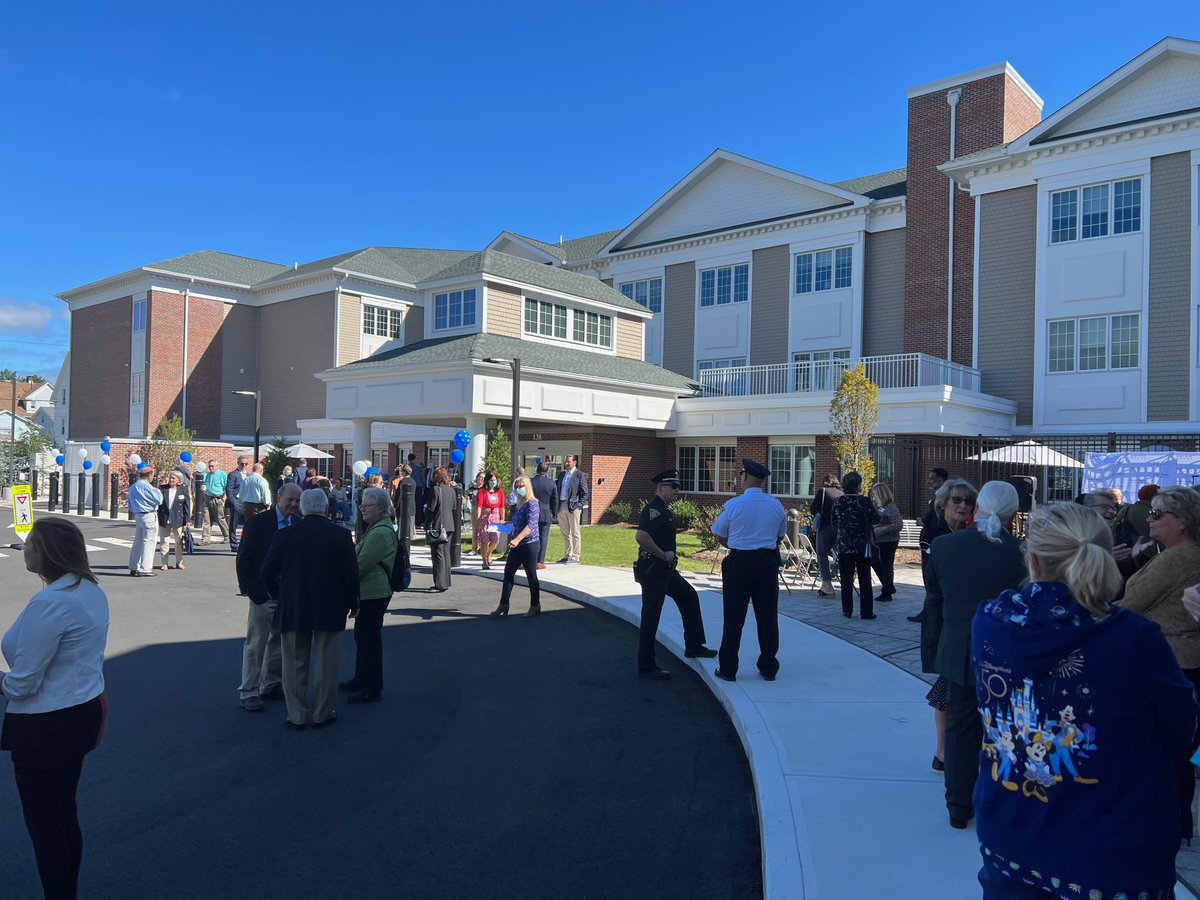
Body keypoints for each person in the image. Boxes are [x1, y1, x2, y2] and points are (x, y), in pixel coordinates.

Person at [972, 501, 1198, 898]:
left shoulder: (988, 621)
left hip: (1011, 838)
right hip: (1110, 852)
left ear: (1034, 562)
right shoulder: (1134, 639)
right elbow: (1187, 731)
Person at [3, 517, 109, 899]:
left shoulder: (50, 603)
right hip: (79, 711)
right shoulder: (90, 590)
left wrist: (1, 682)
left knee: (45, 823)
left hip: (46, 724)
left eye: (30, 543)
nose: (25, 549)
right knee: (63, 813)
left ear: (45, 553)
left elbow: (24, 682)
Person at [920, 481, 1025, 830]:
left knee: (962, 729)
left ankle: (958, 806)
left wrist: (934, 650)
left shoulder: (944, 546)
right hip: (1007, 654)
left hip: (959, 648)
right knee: (1006, 730)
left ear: (978, 506)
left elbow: (934, 601)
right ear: (1012, 515)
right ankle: (1003, 801)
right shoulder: (1022, 553)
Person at [262, 489, 358, 730]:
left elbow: (267, 570)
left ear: (302, 509)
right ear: (326, 508)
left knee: (294, 660)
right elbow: (350, 574)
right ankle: (322, 712)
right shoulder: (341, 535)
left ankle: (296, 713)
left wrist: (277, 593)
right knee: (327, 661)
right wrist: (353, 602)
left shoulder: (285, 536)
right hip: (330, 604)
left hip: (294, 603)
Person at [918, 478, 978, 773]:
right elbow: (935, 581)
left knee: (948, 685)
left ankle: (943, 752)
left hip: (960, 621)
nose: (963, 506)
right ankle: (942, 750)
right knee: (946, 684)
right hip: (943, 620)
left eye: (968, 501)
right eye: (957, 500)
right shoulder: (934, 535)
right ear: (943, 503)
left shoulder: (967, 534)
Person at [635, 469, 719, 679]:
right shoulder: (654, 509)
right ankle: (646, 665)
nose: (677, 491)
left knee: (689, 596)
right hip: (654, 570)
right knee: (651, 616)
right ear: (662, 487)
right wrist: (663, 554)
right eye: (674, 487)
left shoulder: (663, 509)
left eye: (678, 487)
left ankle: (694, 645)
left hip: (666, 570)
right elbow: (642, 536)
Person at [1116, 485, 1200, 693]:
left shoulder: (1178, 557)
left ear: (1183, 521)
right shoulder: (1179, 554)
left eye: (1156, 514)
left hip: (1169, 659)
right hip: (1179, 658)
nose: (1148, 519)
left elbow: (1130, 605)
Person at [711, 459, 785, 682]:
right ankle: (769, 667)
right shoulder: (775, 505)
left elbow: (719, 532)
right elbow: (780, 535)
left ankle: (728, 668)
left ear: (744, 477)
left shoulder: (734, 505)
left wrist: (734, 543)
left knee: (733, 618)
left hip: (739, 564)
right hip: (766, 564)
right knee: (768, 617)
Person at [234, 484, 298, 712]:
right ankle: (249, 691)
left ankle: (270, 683)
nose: (293, 504)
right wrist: (252, 589)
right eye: (289, 500)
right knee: (256, 643)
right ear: (278, 498)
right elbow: (244, 558)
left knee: (278, 642)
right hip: (262, 593)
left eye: (297, 501)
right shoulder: (259, 523)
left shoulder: (297, 524)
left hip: (286, 594)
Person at [344, 487, 396, 703]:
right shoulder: (376, 528)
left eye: (368, 505)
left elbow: (360, 564)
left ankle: (371, 687)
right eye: (362, 505)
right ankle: (361, 678)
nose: (363, 508)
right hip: (369, 592)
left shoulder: (381, 532)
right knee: (363, 638)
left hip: (374, 593)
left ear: (381, 509)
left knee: (369, 641)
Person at [490, 475, 542, 619]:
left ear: (527, 487)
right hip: (517, 544)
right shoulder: (520, 504)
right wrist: (501, 526)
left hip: (529, 544)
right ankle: (503, 604)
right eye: (517, 487)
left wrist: (517, 539)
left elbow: (531, 525)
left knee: (531, 575)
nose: (518, 489)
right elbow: (516, 524)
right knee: (508, 573)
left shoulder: (532, 503)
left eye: (521, 486)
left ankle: (535, 605)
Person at [831, 471, 880, 620]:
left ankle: (847, 610)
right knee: (864, 578)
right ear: (858, 486)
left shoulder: (838, 502)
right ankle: (866, 612)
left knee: (846, 578)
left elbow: (833, 522)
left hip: (845, 545)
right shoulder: (864, 501)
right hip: (862, 545)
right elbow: (876, 519)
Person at [1084, 489, 1142, 579]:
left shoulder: (1117, 536)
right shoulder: (1076, 537)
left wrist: (1135, 559)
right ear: (1088, 509)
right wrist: (1105, 560)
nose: (1111, 511)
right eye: (1104, 507)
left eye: (1113, 508)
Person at [808, 474, 842, 598]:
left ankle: (827, 586)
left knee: (822, 556)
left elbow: (812, 509)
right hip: (839, 529)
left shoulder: (823, 491)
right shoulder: (841, 493)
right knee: (840, 555)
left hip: (825, 527)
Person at [868, 482, 902, 603]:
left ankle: (886, 592)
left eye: (875, 494)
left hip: (889, 540)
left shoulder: (890, 507)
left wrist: (882, 529)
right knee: (874, 561)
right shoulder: (877, 507)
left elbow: (898, 524)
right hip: (877, 541)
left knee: (886, 565)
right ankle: (888, 586)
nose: (873, 496)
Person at [127, 466, 163, 577]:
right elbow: (159, 500)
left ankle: (133, 566)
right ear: (150, 475)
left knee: (138, 541)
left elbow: (130, 505)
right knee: (149, 542)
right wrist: (158, 492)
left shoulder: (133, 487)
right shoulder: (148, 487)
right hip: (149, 514)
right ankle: (145, 568)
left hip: (138, 515)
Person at [427, 466, 457, 593]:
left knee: (438, 554)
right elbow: (454, 508)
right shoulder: (451, 491)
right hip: (449, 525)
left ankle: (440, 584)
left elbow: (432, 508)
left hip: (438, 525)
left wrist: (426, 510)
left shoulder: (435, 490)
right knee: (446, 554)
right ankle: (446, 581)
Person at [556, 454, 589, 564]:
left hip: (573, 507)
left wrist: (578, 505)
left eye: (569, 462)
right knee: (565, 533)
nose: (566, 463)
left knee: (575, 532)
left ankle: (575, 556)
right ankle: (567, 554)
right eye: (566, 461)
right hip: (561, 506)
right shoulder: (562, 475)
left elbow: (585, 493)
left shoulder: (579, 475)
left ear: (574, 462)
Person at [156, 470, 192, 571]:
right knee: (164, 541)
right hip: (165, 518)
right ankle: (164, 563)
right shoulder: (163, 488)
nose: (171, 480)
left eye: (173, 478)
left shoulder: (183, 489)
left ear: (178, 480)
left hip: (178, 519)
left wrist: (187, 520)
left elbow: (187, 505)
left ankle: (179, 562)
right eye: (170, 478)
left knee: (178, 542)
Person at [474, 471, 505, 570]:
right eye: (491, 480)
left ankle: (488, 554)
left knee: (495, 540)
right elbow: (479, 507)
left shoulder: (499, 491)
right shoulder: (482, 492)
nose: (493, 482)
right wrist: (478, 519)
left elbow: (502, 506)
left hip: (495, 517)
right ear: (487, 481)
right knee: (484, 540)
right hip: (484, 518)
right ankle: (484, 562)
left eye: (495, 480)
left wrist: (502, 518)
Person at [531, 462, 559, 570]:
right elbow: (555, 500)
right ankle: (539, 562)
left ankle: (530, 560)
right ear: (547, 471)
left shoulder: (531, 482)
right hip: (546, 513)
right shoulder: (551, 483)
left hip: (533, 512)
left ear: (537, 470)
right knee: (543, 538)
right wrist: (554, 513)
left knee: (532, 537)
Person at [225, 455, 250, 551]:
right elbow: (229, 490)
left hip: (246, 503)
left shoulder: (248, 475)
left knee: (247, 524)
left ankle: (244, 543)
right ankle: (234, 545)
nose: (244, 465)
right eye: (242, 464)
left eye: (246, 464)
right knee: (233, 525)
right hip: (236, 502)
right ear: (238, 463)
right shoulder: (233, 474)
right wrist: (234, 503)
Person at [202, 458, 229, 544]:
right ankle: (205, 539)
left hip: (217, 499)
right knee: (206, 519)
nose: (210, 468)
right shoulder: (206, 475)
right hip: (208, 498)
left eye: (212, 466)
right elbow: (203, 484)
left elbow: (227, 488)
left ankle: (227, 536)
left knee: (220, 518)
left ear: (217, 466)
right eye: (209, 466)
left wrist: (223, 499)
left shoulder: (222, 475)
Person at [392, 465, 416, 554]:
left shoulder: (403, 481)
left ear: (404, 472)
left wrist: (396, 506)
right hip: (412, 507)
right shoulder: (413, 481)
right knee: (409, 529)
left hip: (402, 508)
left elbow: (399, 495)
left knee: (401, 529)